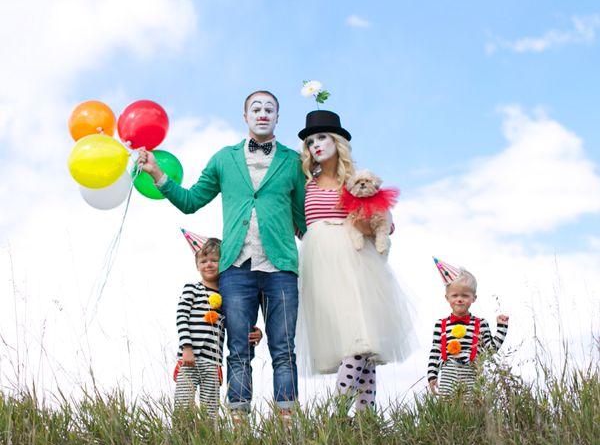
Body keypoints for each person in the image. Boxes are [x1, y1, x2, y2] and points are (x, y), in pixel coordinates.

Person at [138, 91, 306, 418]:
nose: (262, 113)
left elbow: (305, 218)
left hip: (281, 268)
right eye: (255, 108)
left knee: (284, 350)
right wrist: (158, 174)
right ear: (245, 116)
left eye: (269, 109)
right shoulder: (223, 159)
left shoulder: (293, 161)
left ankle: (288, 425)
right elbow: (191, 201)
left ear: (277, 117)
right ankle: (239, 424)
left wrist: (361, 218)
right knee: (239, 351)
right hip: (237, 270)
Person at [296, 109, 417, 413]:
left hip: (354, 258)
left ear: (338, 142)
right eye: (311, 141)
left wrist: (368, 225)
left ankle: (337, 412)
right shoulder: (304, 183)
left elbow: (384, 223)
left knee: (363, 341)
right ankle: (365, 420)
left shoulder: (354, 180)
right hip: (319, 261)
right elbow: (297, 223)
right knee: (352, 342)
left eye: (322, 137)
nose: (316, 145)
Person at [174, 237, 262, 417]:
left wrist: (255, 331)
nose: (209, 265)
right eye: (203, 261)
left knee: (210, 411)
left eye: (214, 260)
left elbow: (235, 322)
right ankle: (181, 439)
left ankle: (207, 441)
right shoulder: (192, 288)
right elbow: (182, 318)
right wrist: (187, 348)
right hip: (190, 358)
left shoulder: (226, 297)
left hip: (213, 362)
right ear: (197, 265)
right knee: (183, 406)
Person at [427, 260, 509, 396]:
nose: (459, 299)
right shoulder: (440, 325)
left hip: (472, 375)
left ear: (474, 298)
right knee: (449, 409)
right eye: (455, 295)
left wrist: (502, 327)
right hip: (448, 375)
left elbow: (491, 349)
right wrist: (432, 375)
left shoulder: (480, 324)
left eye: (465, 295)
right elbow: (435, 351)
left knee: (471, 410)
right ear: (447, 297)